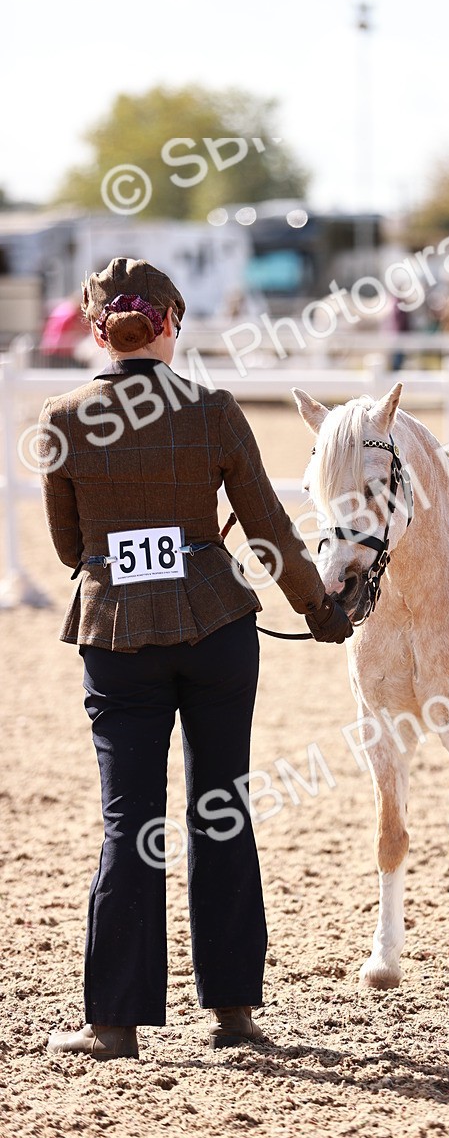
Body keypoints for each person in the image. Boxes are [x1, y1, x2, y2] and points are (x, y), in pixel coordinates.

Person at [39, 257, 352, 1062]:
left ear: (97, 329)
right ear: (172, 322)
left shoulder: (62, 419)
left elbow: (71, 549)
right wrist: (319, 612)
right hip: (217, 630)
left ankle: (115, 1023)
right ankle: (235, 1011)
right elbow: (268, 527)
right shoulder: (214, 411)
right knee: (223, 810)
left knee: (129, 823)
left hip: (118, 637)